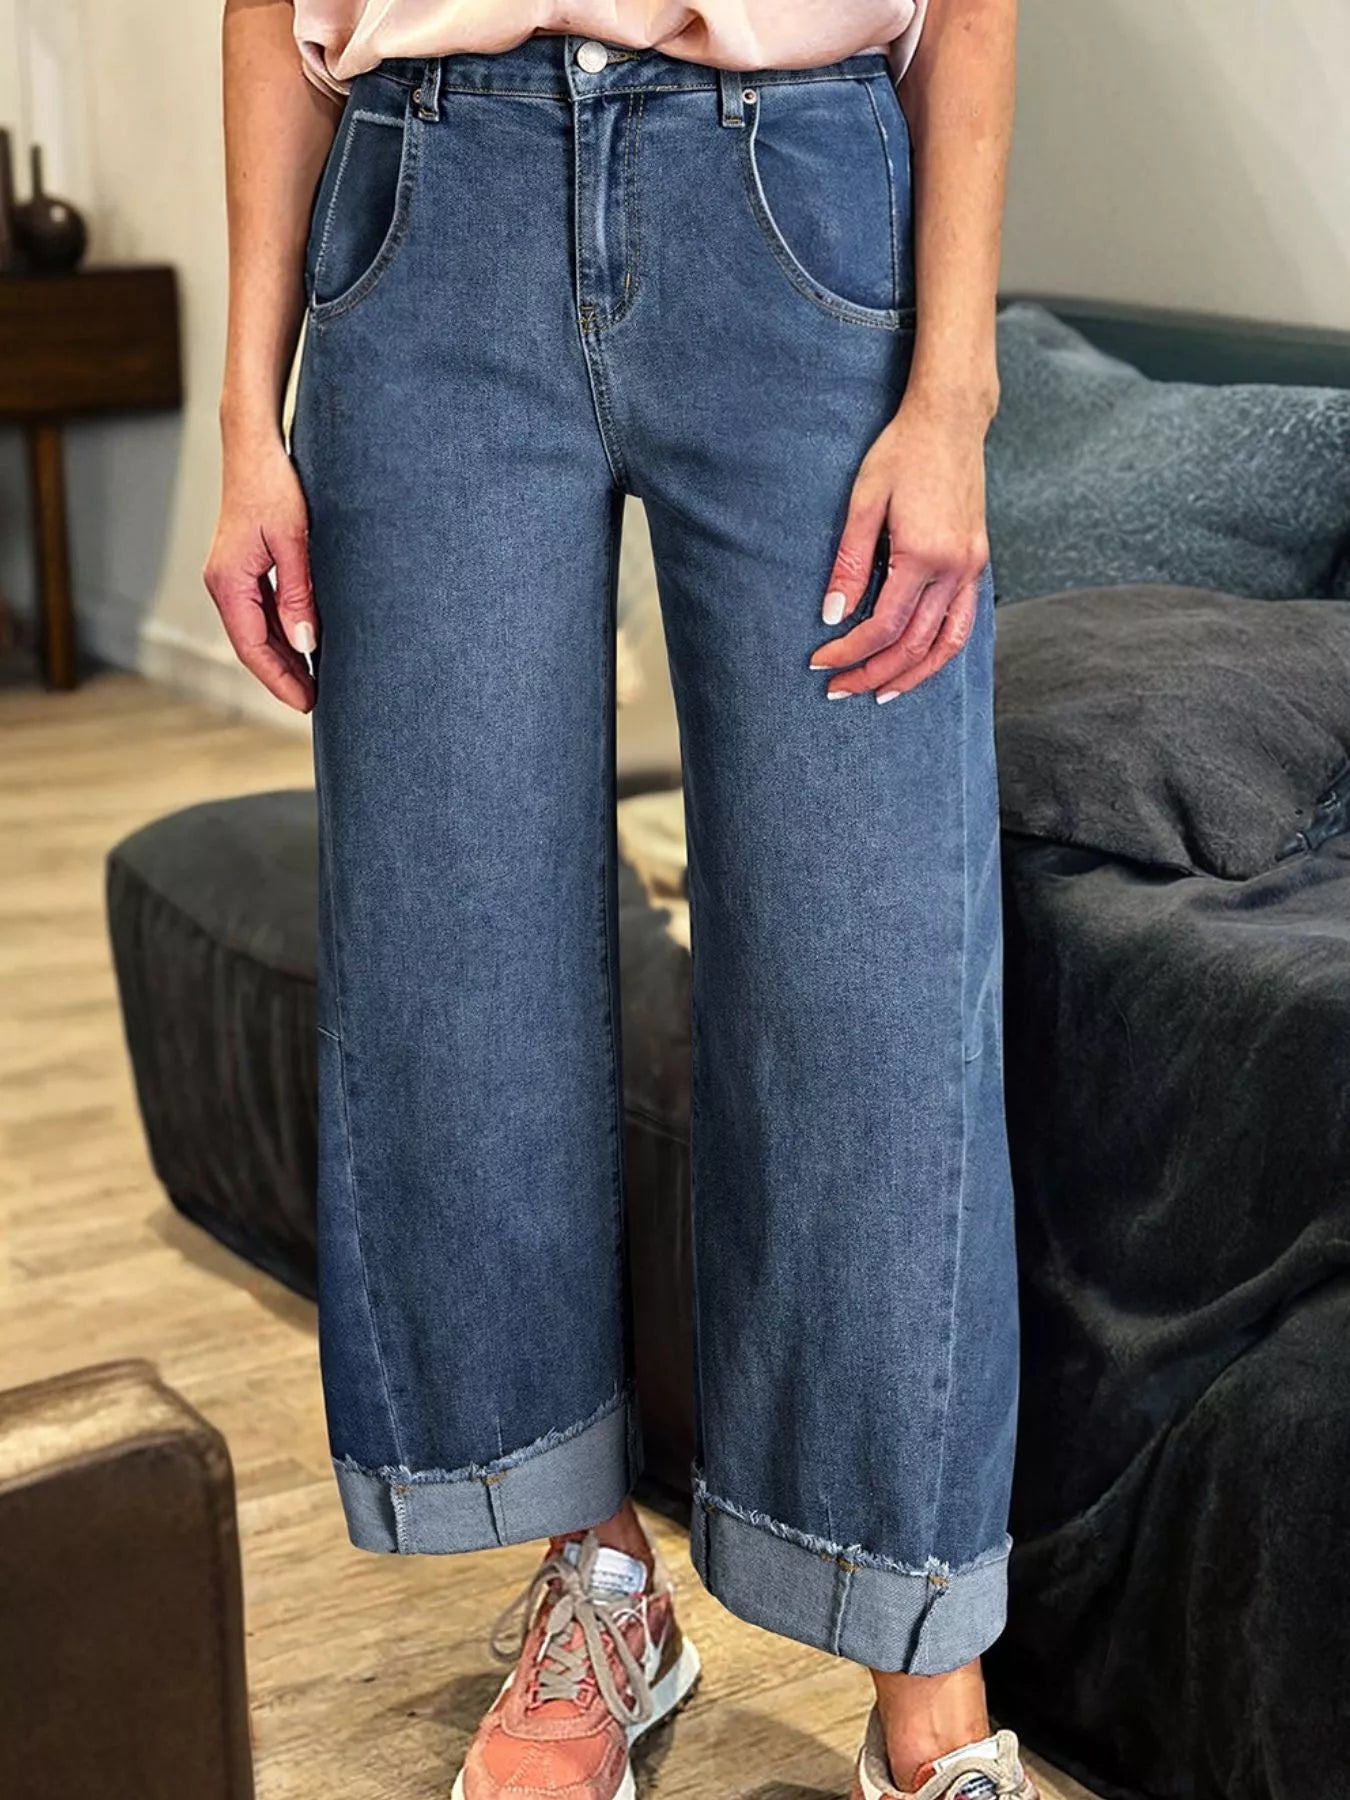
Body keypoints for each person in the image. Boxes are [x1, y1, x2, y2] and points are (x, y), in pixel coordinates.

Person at [206, 4, 1028, 1797]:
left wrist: (954, 393)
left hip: (798, 210)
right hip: (427, 212)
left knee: (872, 985)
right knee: (452, 960)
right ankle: (593, 1581)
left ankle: (926, 1678)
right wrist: (245, 419)